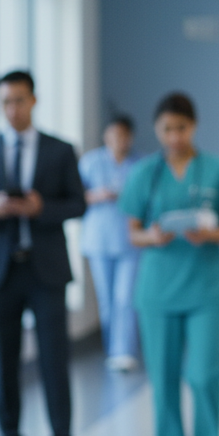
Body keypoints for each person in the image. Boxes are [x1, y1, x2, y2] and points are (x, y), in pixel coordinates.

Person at [120, 92, 219, 436]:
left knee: (206, 375)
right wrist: (152, 236)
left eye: (182, 128)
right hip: (157, 293)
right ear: (157, 130)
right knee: (164, 381)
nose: (174, 136)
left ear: (194, 127)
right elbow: (133, 232)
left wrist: (209, 233)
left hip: (205, 289)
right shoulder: (144, 174)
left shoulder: (216, 170)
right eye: (167, 129)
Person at [0, 70, 86, 436]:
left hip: (46, 269)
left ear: (34, 101)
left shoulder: (60, 150)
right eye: (5, 102)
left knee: (54, 361)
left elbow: (78, 204)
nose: (12, 109)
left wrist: (41, 208)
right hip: (1, 272)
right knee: (5, 363)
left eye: (19, 100)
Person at [80, 115, 142, 372]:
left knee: (124, 298)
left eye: (124, 135)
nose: (119, 141)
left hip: (130, 241)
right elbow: (74, 196)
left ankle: (124, 351)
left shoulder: (140, 164)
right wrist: (97, 195)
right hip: (99, 240)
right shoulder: (91, 162)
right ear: (106, 136)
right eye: (114, 135)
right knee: (106, 300)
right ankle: (112, 349)